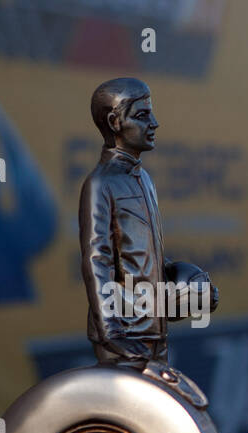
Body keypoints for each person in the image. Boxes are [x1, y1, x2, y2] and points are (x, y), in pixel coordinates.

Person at [80, 77, 217, 370]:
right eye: (142, 116)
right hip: (123, 335)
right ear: (115, 121)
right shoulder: (100, 183)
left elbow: (145, 258)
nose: (154, 123)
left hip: (153, 329)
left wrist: (195, 293)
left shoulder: (144, 179)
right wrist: (111, 333)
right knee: (130, 412)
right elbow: (97, 262)